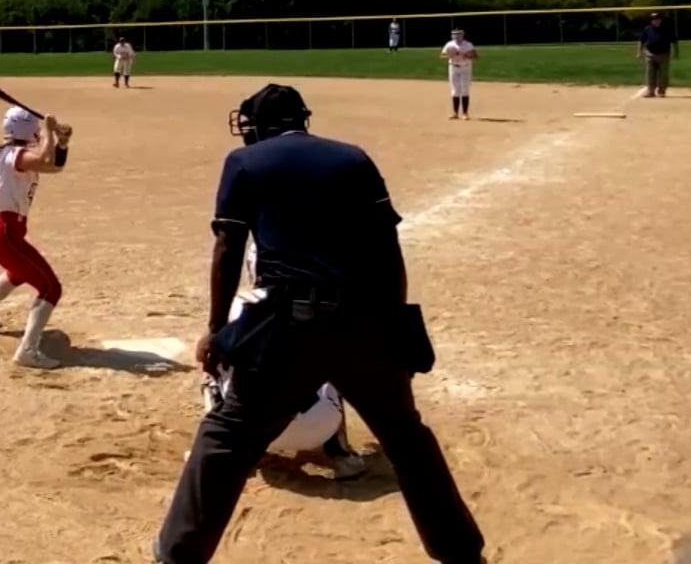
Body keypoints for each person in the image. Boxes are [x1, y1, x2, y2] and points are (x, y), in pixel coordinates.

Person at [153, 83, 484, 564]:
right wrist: (393, 323)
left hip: (290, 325)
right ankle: (462, 554)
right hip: (367, 320)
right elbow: (388, 250)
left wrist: (216, 328)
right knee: (407, 438)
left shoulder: (244, 162)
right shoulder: (353, 158)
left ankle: (177, 555)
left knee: (227, 435)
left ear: (258, 125)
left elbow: (228, 247)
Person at [195, 237, 366, 481]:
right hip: (321, 425)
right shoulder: (326, 301)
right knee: (333, 360)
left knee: (212, 356)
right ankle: (340, 454)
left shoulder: (240, 304)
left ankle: (224, 453)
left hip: (255, 428)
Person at [0, 106, 73, 370]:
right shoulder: (15, 154)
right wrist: (48, 132)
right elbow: (43, 157)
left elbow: (53, 166)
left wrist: (62, 143)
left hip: (2, 230)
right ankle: (27, 351)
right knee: (51, 288)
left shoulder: (13, 153)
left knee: (17, 272)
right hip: (4, 231)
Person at [438, 28, 477, 120]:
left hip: (465, 68)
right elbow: (442, 55)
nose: (456, 36)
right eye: (454, 34)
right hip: (453, 67)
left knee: (465, 90)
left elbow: (476, 56)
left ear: (463, 35)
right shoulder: (449, 44)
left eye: (459, 34)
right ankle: (455, 113)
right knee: (455, 90)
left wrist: (467, 55)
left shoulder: (468, 44)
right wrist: (450, 55)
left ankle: (465, 113)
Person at [638, 12, 675, 97]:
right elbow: (641, 41)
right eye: (654, 20)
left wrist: (676, 52)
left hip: (664, 54)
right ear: (651, 21)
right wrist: (639, 52)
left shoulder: (667, 29)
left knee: (663, 74)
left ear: (661, 20)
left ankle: (662, 90)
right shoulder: (647, 29)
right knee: (650, 73)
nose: (656, 21)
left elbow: (674, 41)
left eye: (657, 19)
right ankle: (650, 91)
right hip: (650, 54)